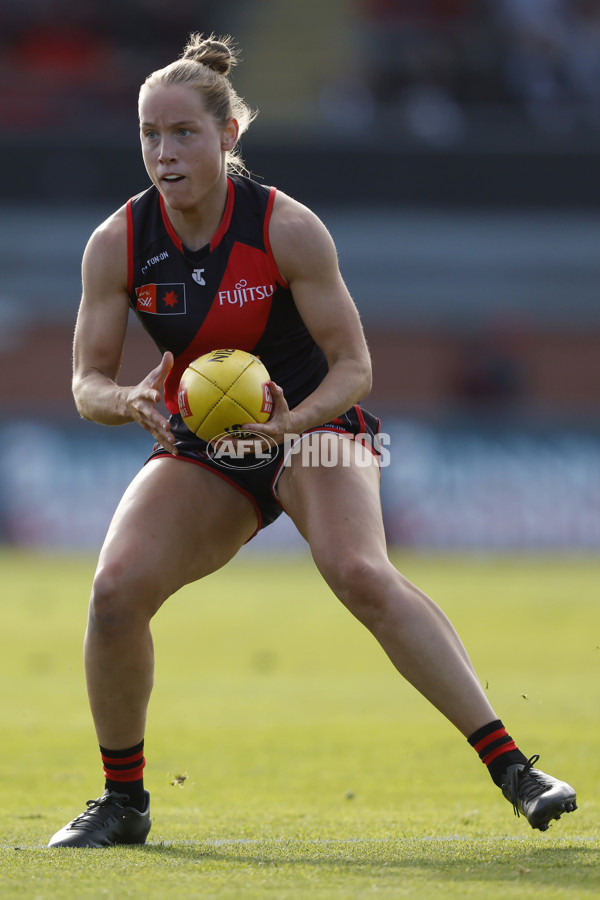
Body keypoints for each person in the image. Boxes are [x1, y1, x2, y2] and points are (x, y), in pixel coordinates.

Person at [48, 33, 576, 848]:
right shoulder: (117, 241)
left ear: (227, 137)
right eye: (150, 134)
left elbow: (354, 367)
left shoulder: (287, 228)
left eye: (183, 132)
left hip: (314, 427)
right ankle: (124, 804)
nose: (163, 152)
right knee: (115, 592)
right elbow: (85, 382)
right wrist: (126, 400)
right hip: (205, 443)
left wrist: (292, 422)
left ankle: (516, 769)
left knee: (359, 571)